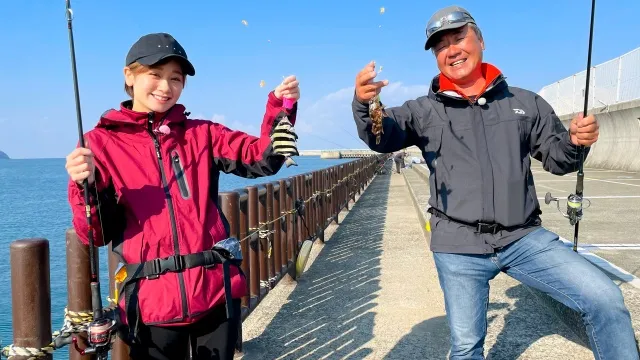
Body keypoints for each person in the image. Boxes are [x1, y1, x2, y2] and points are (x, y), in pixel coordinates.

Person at [352, 6, 638, 360]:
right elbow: (382, 136)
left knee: (606, 299)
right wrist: (365, 105)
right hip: (457, 245)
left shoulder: (524, 102)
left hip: (524, 237)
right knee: (466, 347)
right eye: (441, 46)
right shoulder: (423, 110)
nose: (452, 49)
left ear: (481, 41)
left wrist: (577, 143)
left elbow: (557, 157)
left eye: (459, 38)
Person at [64, 33, 300, 360]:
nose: (166, 86)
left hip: (215, 292)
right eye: (155, 75)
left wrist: (280, 106)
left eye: (176, 78)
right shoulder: (99, 143)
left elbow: (263, 158)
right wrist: (83, 185)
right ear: (129, 76)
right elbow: (96, 233)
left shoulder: (202, 134)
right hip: (149, 306)